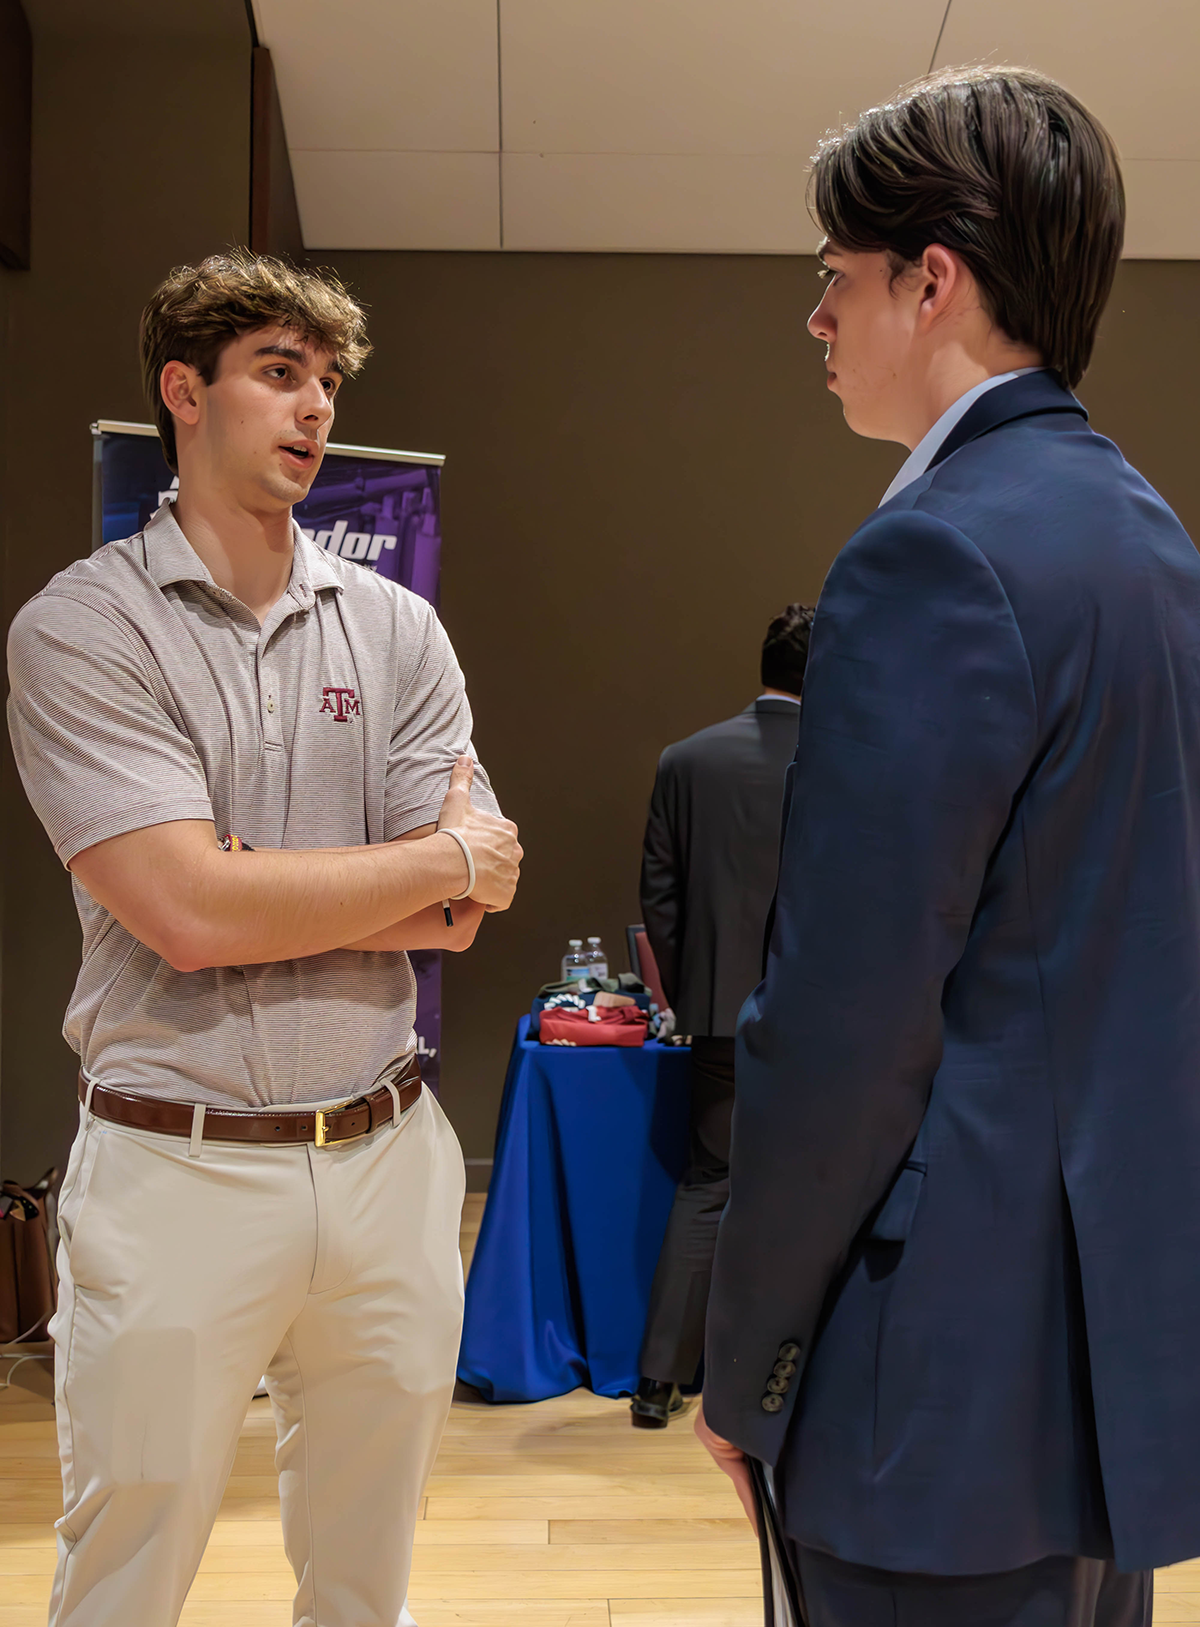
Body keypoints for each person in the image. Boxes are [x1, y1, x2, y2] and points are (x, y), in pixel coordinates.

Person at [697, 66, 1200, 1627]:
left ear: (936, 278)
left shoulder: (931, 553)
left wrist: (748, 1356)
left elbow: (848, 1023)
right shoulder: (1150, 537)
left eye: (837, 278)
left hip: (937, 1382)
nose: (816, 319)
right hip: (1105, 1361)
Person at [6, 250, 522, 1627]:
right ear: (186, 390)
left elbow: (470, 904)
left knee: (366, 1574)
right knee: (127, 1568)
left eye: (328, 384)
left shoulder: (400, 626)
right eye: (278, 374)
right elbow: (178, 910)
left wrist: (256, 880)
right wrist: (403, 871)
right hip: (177, 1159)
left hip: (388, 1154)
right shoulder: (82, 626)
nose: (313, 411)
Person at [631, 605, 813, 1428]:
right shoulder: (841, 763)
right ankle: (790, 1385)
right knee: (821, 1186)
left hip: (717, 1015)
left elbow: (658, 896)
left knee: (709, 1185)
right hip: (820, 1020)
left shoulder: (686, 759)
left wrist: (687, 989)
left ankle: (656, 1384)